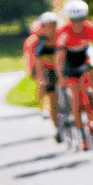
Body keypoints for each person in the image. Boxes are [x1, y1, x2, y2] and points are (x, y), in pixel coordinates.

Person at [54, 0, 93, 151]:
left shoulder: (91, 28)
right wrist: (61, 77)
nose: (78, 24)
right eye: (74, 21)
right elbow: (59, 59)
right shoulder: (64, 32)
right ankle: (83, 138)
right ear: (69, 20)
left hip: (85, 56)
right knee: (76, 98)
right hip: (70, 61)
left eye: (81, 20)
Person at [32, 11, 62, 140]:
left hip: (63, 69)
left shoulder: (62, 38)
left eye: (53, 25)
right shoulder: (41, 43)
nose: (50, 29)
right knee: (52, 98)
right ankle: (57, 128)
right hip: (49, 72)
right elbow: (38, 63)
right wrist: (41, 79)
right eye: (47, 26)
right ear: (43, 27)